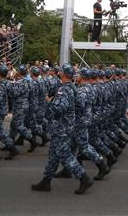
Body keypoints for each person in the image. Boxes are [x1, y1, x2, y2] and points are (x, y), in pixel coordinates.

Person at [31, 64, 94, 195]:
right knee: (54, 155)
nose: (59, 73)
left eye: (60, 72)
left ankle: (83, 177)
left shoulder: (64, 90)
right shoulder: (72, 87)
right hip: (64, 126)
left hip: (62, 127)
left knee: (64, 154)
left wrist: (49, 102)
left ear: (63, 74)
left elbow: (60, 108)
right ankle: (46, 180)